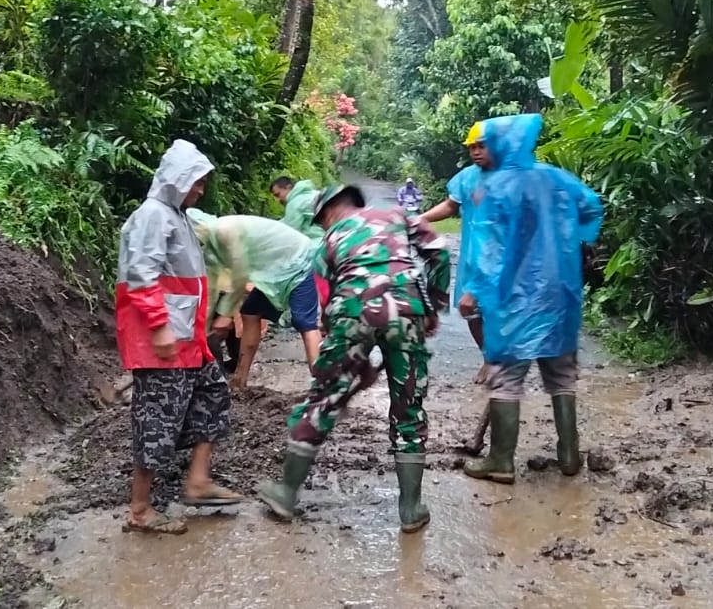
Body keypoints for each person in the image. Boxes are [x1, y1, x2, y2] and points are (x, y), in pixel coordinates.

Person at [256, 184, 451, 533]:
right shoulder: (397, 215)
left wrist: (348, 367)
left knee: (323, 401)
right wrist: (434, 304)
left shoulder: (326, 245)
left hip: (351, 310)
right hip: (408, 311)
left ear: (326, 213)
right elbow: (439, 253)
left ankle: (285, 494)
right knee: (409, 407)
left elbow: (327, 311)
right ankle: (410, 508)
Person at [458, 114, 602, 485]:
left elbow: (490, 249)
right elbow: (590, 206)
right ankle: (570, 456)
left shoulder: (498, 186)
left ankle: (501, 461)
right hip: (560, 293)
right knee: (562, 376)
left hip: (515, 298)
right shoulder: (556, 177)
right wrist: (573, 238)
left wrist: (473, 291)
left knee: (506, 377)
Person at [116, 139, 243, 534]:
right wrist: (159, 328)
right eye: (196, 182)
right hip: (162, 342)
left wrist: (197, 338)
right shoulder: (153, 215)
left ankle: (198, 481)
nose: (201, 189)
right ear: (177, 178)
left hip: (185, 339)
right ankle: (139, 510)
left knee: (213, 396)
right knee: (156, 420)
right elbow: (141, 275)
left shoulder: (178, 216)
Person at [415, 122, 497, 453]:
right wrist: (421, 218)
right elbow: (451, 206)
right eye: (471, 147)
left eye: (481, 146)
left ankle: (502, 362)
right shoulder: (466, 178)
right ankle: (489, 356)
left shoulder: (511, 177)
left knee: (498, 309)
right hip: (472, 255)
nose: (476, 152)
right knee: (470, 311)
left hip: (502, 256)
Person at [188, 209, 328, 382]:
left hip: (299, 261)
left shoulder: (224, 231)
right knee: (250, 311)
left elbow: (240, 274)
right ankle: (240, 379)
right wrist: (204, 327)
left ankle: (322, 384)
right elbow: (210, 290)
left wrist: (225, 314)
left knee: (304, 322)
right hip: (275, 272)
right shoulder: (210, 249)